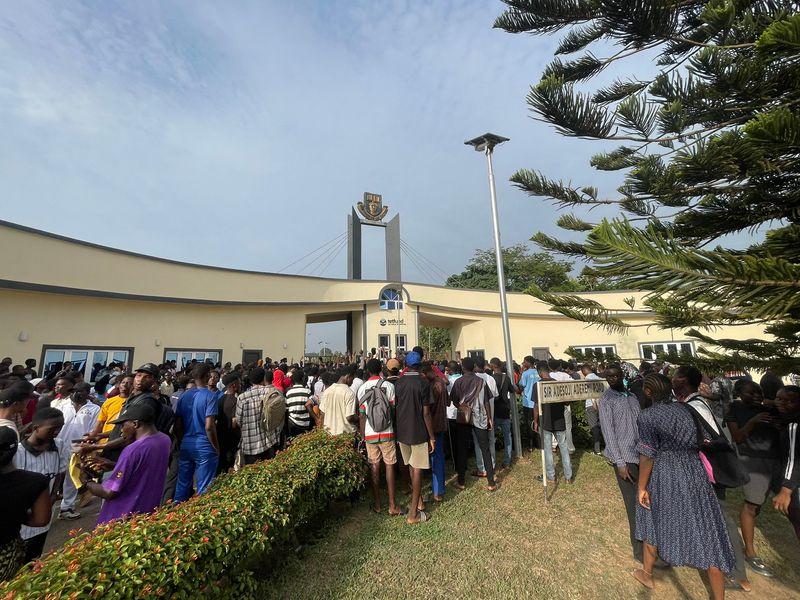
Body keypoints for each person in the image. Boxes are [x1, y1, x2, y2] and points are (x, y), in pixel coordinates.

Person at [633, 374, 735, 598]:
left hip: (665, 470)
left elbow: (647, 455)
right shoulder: (687, 409)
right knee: (706, 527)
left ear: (648, 393)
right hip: (693, 469)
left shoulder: (647, 416)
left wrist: (641, 487)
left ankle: (647, 573)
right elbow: (707, 437)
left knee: (653, 516)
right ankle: (719, 595)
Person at [724, 381, 781, 577]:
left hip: (776, 460)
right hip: (753, 462)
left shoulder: (771, 409)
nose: (757, 395)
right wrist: (754, 421)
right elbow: (738, 437)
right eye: (751, 392)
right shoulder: (734, 410)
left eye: (759, 392)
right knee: (752, 505)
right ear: (739, 393)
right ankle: (750, 551)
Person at [81, 404, 171, 525]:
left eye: (123, 425)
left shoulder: (133, 450)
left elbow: (109, 492)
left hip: (123, 516)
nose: (121, 431)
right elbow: (143, 468)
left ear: (135, 424)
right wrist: (115, 465)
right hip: (148, 513)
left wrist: (86, 481)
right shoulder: (164, 440)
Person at [599, 364, 644, 564]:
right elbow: (608, 433)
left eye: (616, 376)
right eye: (609, 376)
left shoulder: (631, 396)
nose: (612, 379)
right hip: (624, 459)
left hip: (641, 455)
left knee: (645, 502)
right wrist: (620, 463)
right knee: (632, 505)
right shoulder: (606, 400)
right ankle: (639, 551)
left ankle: (650, 544)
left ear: (622, 376)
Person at [14, 407, 67, 563]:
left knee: (34, 559)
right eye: (52, 429)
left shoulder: (59, 446)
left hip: (43, 522)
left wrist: (52, 497)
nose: (57, 432)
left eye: (60, 428)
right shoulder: (18, 453)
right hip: (22, 523)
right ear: (36, 428)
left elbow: (59, 473)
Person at [0, 426, 51, 582]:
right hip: (7, 553)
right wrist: (15, 515)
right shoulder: (36, 481)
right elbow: (41, 520)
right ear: (16, 450)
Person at [394, 352, 435, 524]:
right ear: (419, 365)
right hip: (418, 430)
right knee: (417, 468)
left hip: (402, 430)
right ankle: (413, 514)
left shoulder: (398, 382)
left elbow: (396, 405)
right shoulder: (423, 383)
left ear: (406, 365)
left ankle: (418, 503)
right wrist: (431, 436)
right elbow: (426, 413)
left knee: (411, 465)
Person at [358, 358, 402, 516]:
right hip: (387, 431)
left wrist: (363, 436)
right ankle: (392, 505)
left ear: (368, 371)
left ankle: (377, 504)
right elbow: (393, 409)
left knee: (374, 465)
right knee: (390, 465)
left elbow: (362, 415)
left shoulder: (362, 388)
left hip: (370, 433)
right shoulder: (389, 386)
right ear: (381, 369)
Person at [449, 357, 497, 493]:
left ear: (463, 368)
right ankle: (491, 482)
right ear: (474, 367)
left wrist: (461, 406)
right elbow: (487, 401)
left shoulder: (458, 382)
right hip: (480, 417)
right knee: (485, 449)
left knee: (462, 449)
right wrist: (489, 418)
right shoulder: (481, 381)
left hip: (464, 418)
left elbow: (454, 400)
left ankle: (461, 481)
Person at [52, 383, 99, 520]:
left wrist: (85, 446)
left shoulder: (94, 408)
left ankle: (66, 508)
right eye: (73, 390)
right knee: (53, 476)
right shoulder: (63, 405)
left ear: (87, 392)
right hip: (59, 444)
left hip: (78, 446)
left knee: (71, 478)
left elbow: (93, 430)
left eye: (80, 391)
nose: (76, 393)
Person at [174, 363, 219, 501]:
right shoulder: (210, 396)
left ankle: (176, 513)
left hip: (186, 442)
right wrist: (216, 446)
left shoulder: (184, 396)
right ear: (207, 377)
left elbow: (178, 424)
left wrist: (182, 440)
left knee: (182, 484)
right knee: (204, 487)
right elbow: (209, 426)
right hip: (204, 443)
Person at [532, 362, 573, 484]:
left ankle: (551, 476)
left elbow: (535, 405)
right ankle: (568, 477)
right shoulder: (558, 384)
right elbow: (566, 403)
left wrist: (535, 421)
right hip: (560, 420)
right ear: (548, 370)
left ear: (539, 372)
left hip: (545, 422)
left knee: (548, 450)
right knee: (564, 449)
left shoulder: (537, 385)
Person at [234, 367, 281, 464]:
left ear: (251, 381)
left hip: (250, 443)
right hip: (270, 441)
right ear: (264, 378)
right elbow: (278, 417)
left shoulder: (242, 398)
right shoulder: (273, 393)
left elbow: (239, 420)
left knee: (251, 474)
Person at [773, 385, 800, 539]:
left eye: (790, 401)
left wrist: (785, 490)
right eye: (779, 399)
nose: (782, 403)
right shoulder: (787, 421)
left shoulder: (794, 425)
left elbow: (794, 458)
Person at [423, 362, 449, 500]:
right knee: (438, 456)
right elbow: (448, 402)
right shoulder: (442, 383)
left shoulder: (431, 386)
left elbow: (427, 411)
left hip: (433, 425)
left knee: (435, 458)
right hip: (442, 423)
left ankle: (437, 491)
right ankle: (438, 489)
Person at [472, 357, 498, 477]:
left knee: (478, 443)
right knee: (491, 441)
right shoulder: (491, 379)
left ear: (476, 366)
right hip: (490, 415)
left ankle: (482, 468)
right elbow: (495, 396)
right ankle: (492, 465)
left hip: (477, 417)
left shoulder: (474, 379)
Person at [490, 357, 515, 469]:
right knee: (507, 438)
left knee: (491, 438)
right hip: (505, 410)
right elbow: (513, 390)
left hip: (494, 411)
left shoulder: (491, 379)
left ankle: (492, 462)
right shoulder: (506, 377)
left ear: (492, 366)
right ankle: (507, 461)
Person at [318, 368, 358, 436]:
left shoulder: (327, 391)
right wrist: (357, 419)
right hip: (345, 435)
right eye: (352, 379)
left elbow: (322, 413)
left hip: (329, 434)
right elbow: (349, 417)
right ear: (348, 376)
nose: (352, 382)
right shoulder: (349, 393)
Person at [216, 372, 240, 474]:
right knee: (229, 466)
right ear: (234, 385)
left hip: (220, 438)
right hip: (231, 439)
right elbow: (235, 422)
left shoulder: (220, 399)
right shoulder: (236, 400)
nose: (240, 385)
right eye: (239, 383)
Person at [580, 364, 603, 454]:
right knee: (602, 426)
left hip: (591, 405)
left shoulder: (587, 379)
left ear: (583, 372)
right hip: (601, 404)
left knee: (594, 427)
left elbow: (592, 391)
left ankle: (596, 449)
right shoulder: (599, 378)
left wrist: (594, 402)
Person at [518, 356, 540, 449]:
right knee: (538, 422)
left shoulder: (525, 374)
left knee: (529, 423)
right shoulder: (539, 372)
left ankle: (530, 445)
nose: (523, 363)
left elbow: (521, 386)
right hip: (538, 402)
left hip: (528, 403)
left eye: (524, 362)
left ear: (528, 363)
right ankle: (538, 443)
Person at [285, 370, 313, 438]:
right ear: (303, 379)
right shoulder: (308, 392)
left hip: (292, 423)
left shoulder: (288, 393)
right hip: (305, 424)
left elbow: (286, 409)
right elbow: (311, 407)